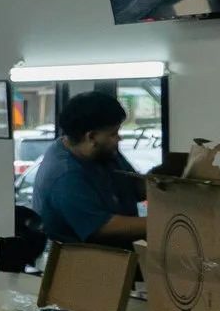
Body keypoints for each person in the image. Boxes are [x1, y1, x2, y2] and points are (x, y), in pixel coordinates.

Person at [28, 90, 148, 246]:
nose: (119, 138)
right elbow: (101, 228)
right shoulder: (66, 176)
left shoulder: (104, 152)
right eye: (113, 133)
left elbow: (134, 185)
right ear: (91, 137)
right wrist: (161, 224)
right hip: (85, 263)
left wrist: (172, 182)